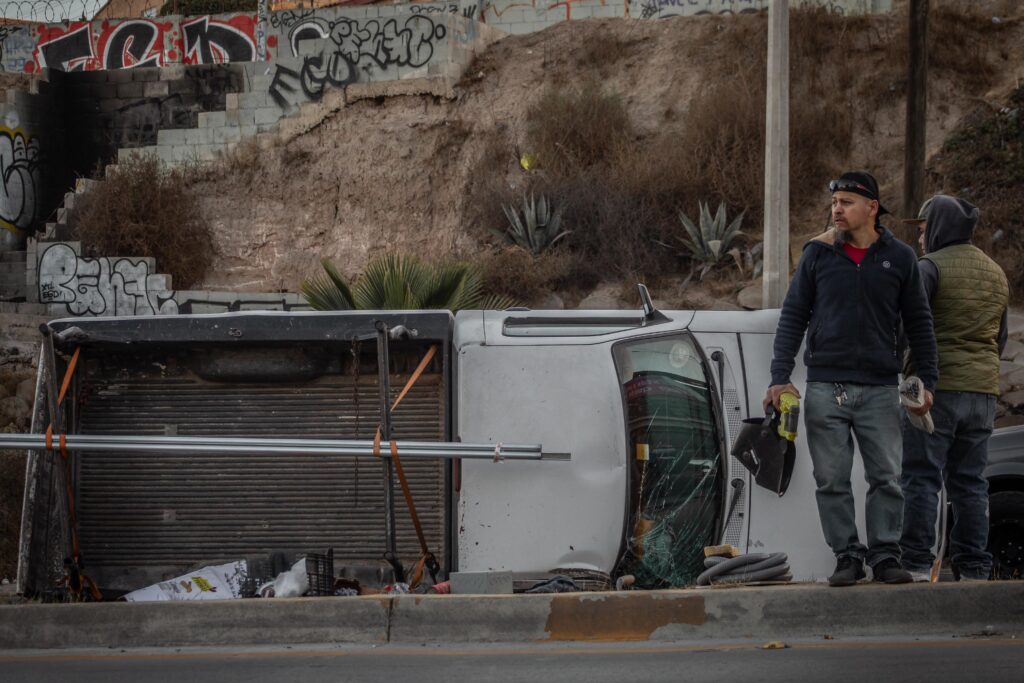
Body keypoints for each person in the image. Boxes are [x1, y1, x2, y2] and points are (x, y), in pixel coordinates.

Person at [765, 171, 938, 587]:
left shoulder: (899, 258)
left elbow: (919, 321)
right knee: (831, 479)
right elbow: (793, 316)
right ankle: (847, 556)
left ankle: (885, 556)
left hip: (881, 387)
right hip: (826, 386)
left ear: (872, 208)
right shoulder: (817, 254)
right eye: (834, 202)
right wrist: (779, 376)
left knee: (887, 478)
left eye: (845, 202)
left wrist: (927, 379)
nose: (836, 209)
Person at [899, 195, 1009, 582]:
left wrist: (905, 372)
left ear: (941, 227)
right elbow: (1001, 337)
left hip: (937, 390)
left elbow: (909, 328)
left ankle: (914, 561)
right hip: (983, 394)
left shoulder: (928, 269)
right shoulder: (996, 272)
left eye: (925, 229)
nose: (922, 238)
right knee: (971, 482)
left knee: (920, 476)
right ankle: (974, 565)